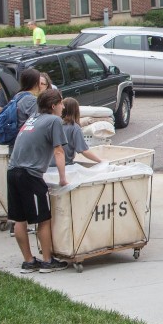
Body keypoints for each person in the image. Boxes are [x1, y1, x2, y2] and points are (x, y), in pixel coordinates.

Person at [7, 89, 69, 273]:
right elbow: (59, 151)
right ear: (53, 105)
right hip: (30, 175)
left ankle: (28, 261)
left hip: (12, 171)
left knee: (20, 219)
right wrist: (63, 178)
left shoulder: (33, 117)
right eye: (61, 103)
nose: (63, 107)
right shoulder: (54, 121)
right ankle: (48, 261)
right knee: (43, 219)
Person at [58, 98, 103, 166]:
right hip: (64, 165)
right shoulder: (74, 127)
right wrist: (100, 161)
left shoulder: (55, 123)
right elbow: (84, 151)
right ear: (76, 111)